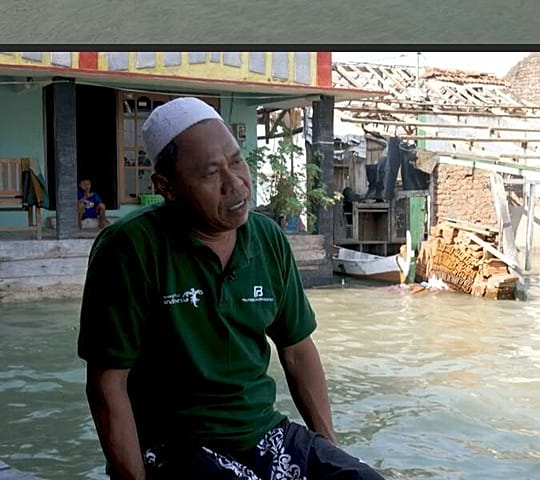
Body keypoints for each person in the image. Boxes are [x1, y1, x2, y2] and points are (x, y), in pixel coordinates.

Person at [79, 98, 384, 480]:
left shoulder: (267, 238)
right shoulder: (130, 248)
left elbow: (297, 351)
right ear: (166, 187)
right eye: (211, 173)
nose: (236, 183)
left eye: (237, 162)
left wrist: (327, 451)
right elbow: (107, 385)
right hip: (175, 445)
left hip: (264, 433)